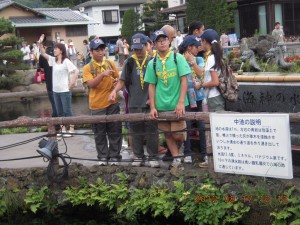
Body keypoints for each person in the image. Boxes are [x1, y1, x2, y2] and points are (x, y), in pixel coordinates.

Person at [109, 33, 160, 168]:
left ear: (146, 46)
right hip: (134, 103)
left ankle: (153, 157)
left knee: (152, 132)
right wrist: (114, 91)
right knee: (135, 132)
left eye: (140, 48)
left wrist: (153, 99)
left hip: (150, 103)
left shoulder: (153, 61)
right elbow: (122, 81)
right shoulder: (129, 62)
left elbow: (159, 83)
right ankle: (138, 156)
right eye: (135, 49)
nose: (137, 51)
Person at [144, 30, 191, 168]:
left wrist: (181, 102)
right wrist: (153, 107)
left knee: (178, 135)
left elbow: (184, 80)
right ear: (154, 45)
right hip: (161, 105)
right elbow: (151, 86)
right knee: (168, 135)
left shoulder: (178, 58)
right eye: (158, 41)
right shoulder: (152, 63)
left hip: (177, 104)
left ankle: (179, 152)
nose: (162, 42)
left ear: (169, 41)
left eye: (164, 39)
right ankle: (176, 158)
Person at [82, 37, 122, 166]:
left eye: (102, 49)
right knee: (99, 134)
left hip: (112, 103)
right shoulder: (88, 68)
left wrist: (116, 84)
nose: (100, 52)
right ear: (91, 51)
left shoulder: (110, 63)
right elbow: (91, 84)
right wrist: (102, 75)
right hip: (97, 105)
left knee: (115, 131)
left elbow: (120, 80)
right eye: (97, 50)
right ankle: (103, 157)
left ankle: (115, 156)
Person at [38, 34, 79, 137]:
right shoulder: (53, 60)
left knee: (67, 111)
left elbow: (76, 71)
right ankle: (62, 129)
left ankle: (72, 129)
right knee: (60, 112)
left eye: (56, 49)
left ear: (61, 50)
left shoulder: (66, 61)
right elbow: (43, 53)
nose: (54, 50)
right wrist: (40, 43)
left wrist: (72, 83)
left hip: (64, 90)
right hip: (55, 90)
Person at [198, 29, 225, 168]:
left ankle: (214, 161)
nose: (200, 44)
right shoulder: (215, 56)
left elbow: (215, 82)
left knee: (214, 129)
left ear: (206, 42)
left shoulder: (211, 58)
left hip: (213, 97)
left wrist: (201, 85)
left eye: (201, 41)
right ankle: (215, 160)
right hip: (215, 97)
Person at [179, 36, 207, 164]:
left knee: (201, 125)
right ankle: (187, 153)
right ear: (189, 47)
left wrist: (192, 62)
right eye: (196, 46)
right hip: (185, 97)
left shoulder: (199, 59)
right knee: (187, 125)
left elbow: (201, 74)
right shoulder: (179, 59)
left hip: (198, 96)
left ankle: (205, 153)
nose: (198, 48)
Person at [39, 40, 60, 131]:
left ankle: (57, 125)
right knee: (62, 106)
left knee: (55, 106)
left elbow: (42, 68)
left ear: (45, 46)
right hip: (60, 84)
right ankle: (67, 126)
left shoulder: (42, 56)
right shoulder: (58, 54)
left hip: (50, 84)